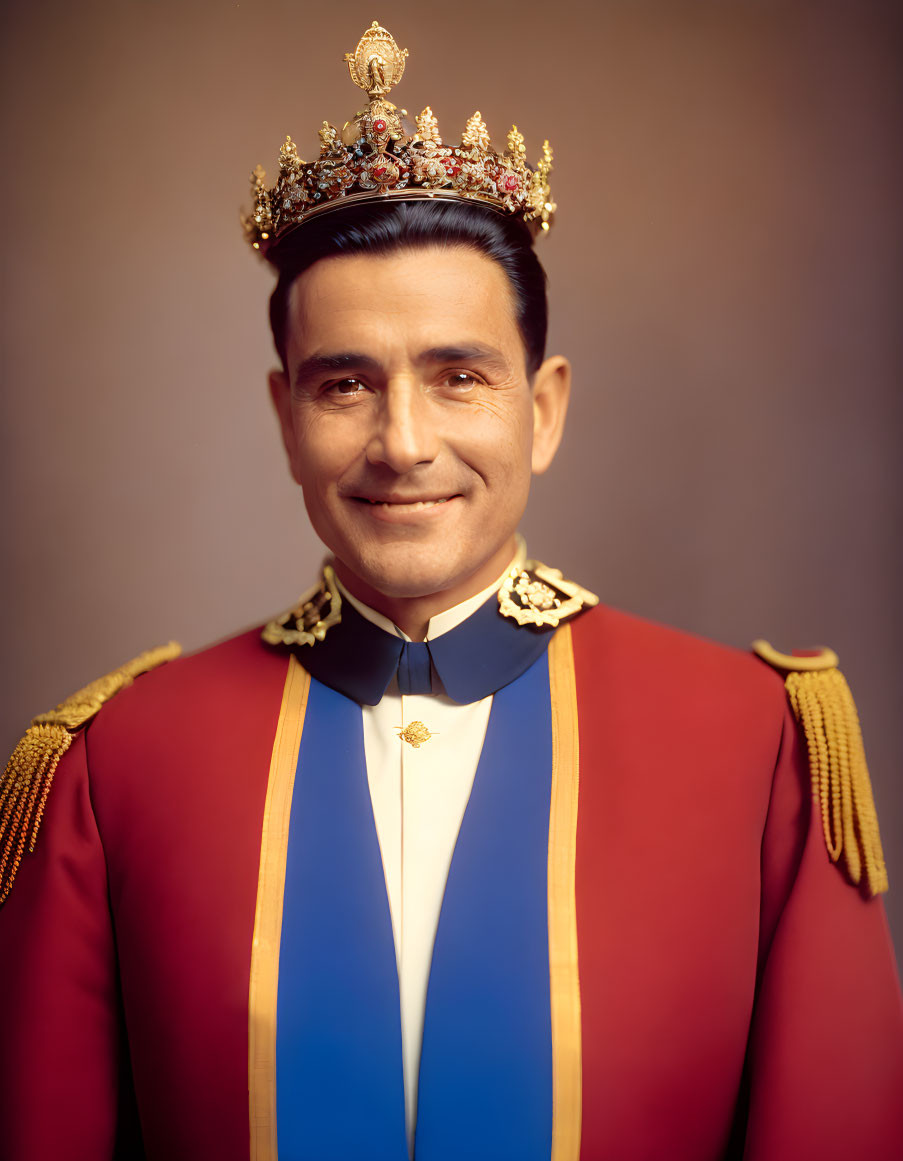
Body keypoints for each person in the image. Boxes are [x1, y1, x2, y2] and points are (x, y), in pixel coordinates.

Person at [1, 21, 901, 1161]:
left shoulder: (759, 747)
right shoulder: (113, 767)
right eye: (346, 386)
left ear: (546, 407)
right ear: (285, 419)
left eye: (458, 377)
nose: (403, 443)